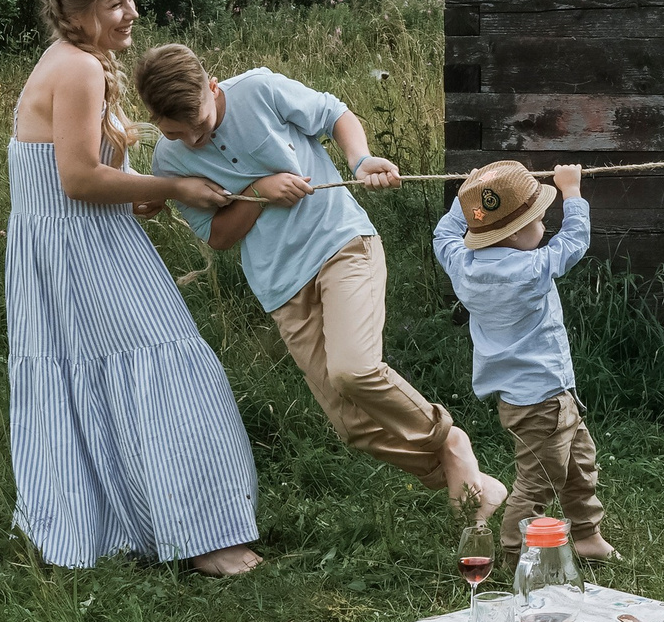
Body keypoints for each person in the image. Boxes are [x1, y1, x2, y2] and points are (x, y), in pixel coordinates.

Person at [133, 42, 508, 523]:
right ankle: (470, 483)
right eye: (176, 134)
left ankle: (451, 441)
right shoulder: (170, 161)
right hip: (280, 286)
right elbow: (219, 236)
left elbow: (335, 115)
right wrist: (256, 192)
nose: (193, 141)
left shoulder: (259, 90)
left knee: (354, 371)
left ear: (212, 87)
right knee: (353, 426)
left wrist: (360, 160)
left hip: (341, 245)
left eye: (201, 126)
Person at [6, 0, 262, 576]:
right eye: (116, 3)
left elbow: (82, 174)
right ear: (81, 12)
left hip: (70, 243)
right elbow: (75, 179)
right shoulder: (79, 70)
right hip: (78, 246)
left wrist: (136, 191)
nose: (132, 13)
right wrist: (171, 188)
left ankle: (124, 522)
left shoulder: (75, 59)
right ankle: (204, 539)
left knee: (97, 378)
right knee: (165, 369)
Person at [433, 159, 618, 559]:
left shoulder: (462, 264)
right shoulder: (532, 269)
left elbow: (444, 234)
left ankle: (586, 535)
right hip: (545, 400)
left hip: (527, 399)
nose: (544, 227)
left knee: (579, 464)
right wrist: (571, 191)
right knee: (539, 482)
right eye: (538, 220)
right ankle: (515, 552)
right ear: (516, 234)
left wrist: (472, 193)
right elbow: (574, 241)